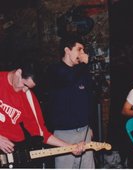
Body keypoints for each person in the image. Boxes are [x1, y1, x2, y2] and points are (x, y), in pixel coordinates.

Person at [0, 60, 85, 168]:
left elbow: (42, 133)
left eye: (29, 87)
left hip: (14, 154)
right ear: (18, 72)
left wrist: (70, 147)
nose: (25, 90)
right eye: (24, 84)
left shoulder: (29, 97)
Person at [46, 34, 95, 169]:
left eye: (84, 51)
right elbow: (67, 79)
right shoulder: (54, 70)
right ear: (67, 50)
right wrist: (85, 65)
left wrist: (89, 125)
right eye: (79, 50)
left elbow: (88, 99)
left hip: (84, 131)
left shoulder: (82, 71)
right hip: (64, 134)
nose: (83, 54)